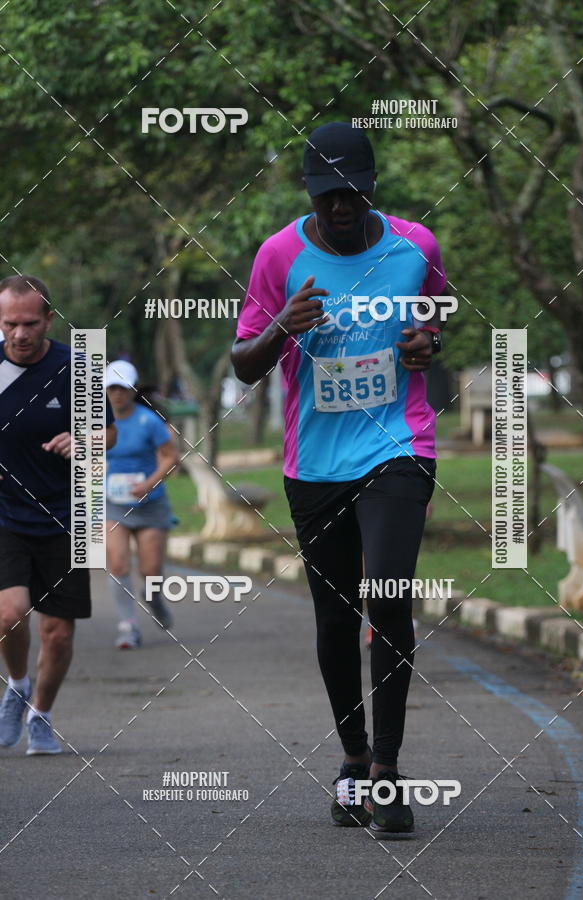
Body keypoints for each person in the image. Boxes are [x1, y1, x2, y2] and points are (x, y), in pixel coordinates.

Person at [231, 122, 446, 834]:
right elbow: (243, 363)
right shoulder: (279, 257)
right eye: (328, 197)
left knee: (386, 595)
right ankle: (353, 759)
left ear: (372, 187)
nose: (341, 208)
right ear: (309, 195)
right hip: (314, 463)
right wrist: (283, 328)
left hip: (398, 446)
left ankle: (387, 770)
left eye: (352, 193)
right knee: (334, 615)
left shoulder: (416, 246)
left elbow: (433, 336)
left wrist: (426, 346)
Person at [0, 275, 116, 755]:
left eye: (30, 323)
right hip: (5, 511)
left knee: (59, 632)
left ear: (49, 319)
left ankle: (41, 713)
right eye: (10, 323)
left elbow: (108, 436)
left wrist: (83, 439)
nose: (20, 334)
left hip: (73, 513)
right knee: (8, 615)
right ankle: (17, 685)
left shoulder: (79, 366)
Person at [104, 360, 179, 649]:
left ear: (133, 390)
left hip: (150, 504)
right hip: (114, 504)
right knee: (118, 562)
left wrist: (149, 483)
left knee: (150, 572)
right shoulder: (97, 421)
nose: (118, 394)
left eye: (123, 389)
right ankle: (128, 627)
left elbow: (170, 457)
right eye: (112, 388)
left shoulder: (149, 421)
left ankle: (154, 600)